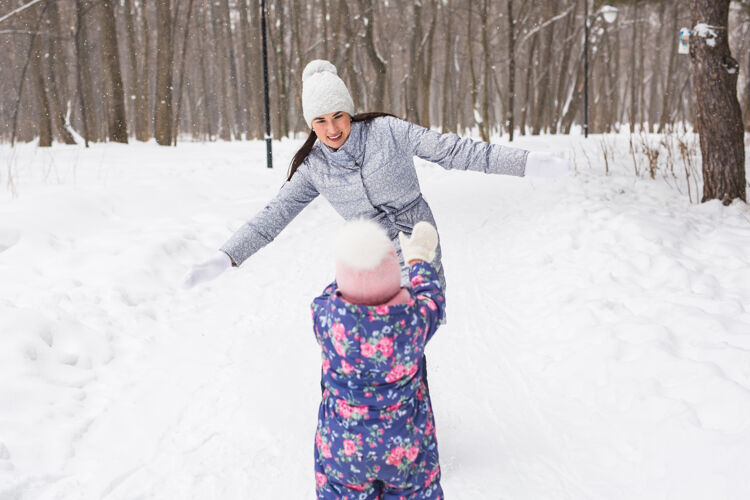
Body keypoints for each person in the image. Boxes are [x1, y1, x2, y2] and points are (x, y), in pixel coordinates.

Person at [181, 59, 570, 291]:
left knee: (412, 333)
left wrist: (527, 163)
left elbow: (455, 151)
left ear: (350, 112)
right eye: (321, 120)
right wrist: (226, 256)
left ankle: (413, 419)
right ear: (310, 124)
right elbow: (272, 218)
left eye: (338, 116)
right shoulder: (314, 167)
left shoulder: (387, 131)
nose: (333, 129)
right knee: (372, 345)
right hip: (368, 257)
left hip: (419, 242)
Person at [312, 218, 445, 499]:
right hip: (405, 445)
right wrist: (418, 258)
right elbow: (433, 296)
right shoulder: (414, 320)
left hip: (343, 449)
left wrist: (353, 263)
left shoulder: (325, 318)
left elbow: (325, 295)